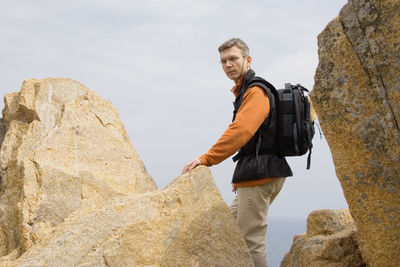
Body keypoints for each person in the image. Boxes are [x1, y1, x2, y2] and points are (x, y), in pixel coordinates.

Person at [182, 38, 292, 267]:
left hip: (261, 176)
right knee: (229, 230)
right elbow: (252, 140)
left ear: (247, 60)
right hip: (255, 175)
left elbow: (240, 131)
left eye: (233, 59)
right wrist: (240, 179)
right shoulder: (244, 91)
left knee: (251, 242)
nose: (228, 65)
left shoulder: (255, 91)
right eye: (223, 61)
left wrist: (206, 159)